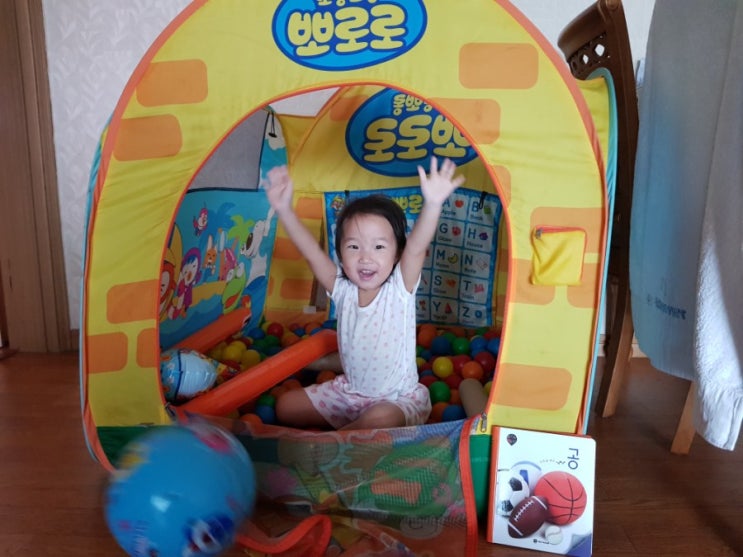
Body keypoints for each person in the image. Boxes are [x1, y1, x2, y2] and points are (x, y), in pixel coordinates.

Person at [266, 157, 464, 430]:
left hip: (396, 400)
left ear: (396, 254)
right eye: (354, 247)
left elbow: (417, 247)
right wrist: (284, 210)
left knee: (380, 418)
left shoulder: (399, 289)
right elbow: (312, 253)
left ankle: (329, 445)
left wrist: (432, 204)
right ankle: (354, 433)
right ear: (340, 254)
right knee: (285, 406)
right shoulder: (342, 289)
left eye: (379, 247)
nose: (365, 257)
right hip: (350, 395)